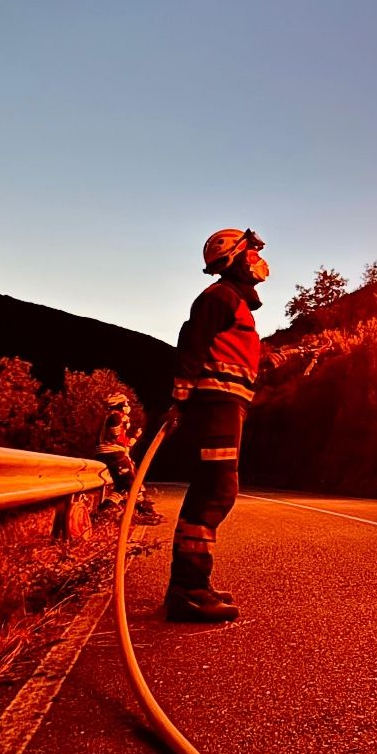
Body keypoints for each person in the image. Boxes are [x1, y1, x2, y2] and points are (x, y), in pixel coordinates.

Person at [164, 227, 299, 623]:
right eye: (253, 254)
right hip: (216, 405)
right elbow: (191, 344)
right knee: (216, 491)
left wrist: (276, 358)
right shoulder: (219, 297)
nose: (260, 261)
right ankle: (189, 590)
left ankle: (188, 587)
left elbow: (235, 356)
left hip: (225, 404)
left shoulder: (234, 306)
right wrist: (181, 398)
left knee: (211, 490)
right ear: (236, 258)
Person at [97, 393, 163, 526]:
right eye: (126, 404)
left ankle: (102, 512)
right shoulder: (115, 417)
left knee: (122, 487)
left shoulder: (117, 417)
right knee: (133, 483)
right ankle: (143, 511)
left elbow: (122, 441)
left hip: (115, 453)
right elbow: (116, 438)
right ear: (120, 405)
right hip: (113, 454)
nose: (128, 406)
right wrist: (131, 438)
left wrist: (134, 438)